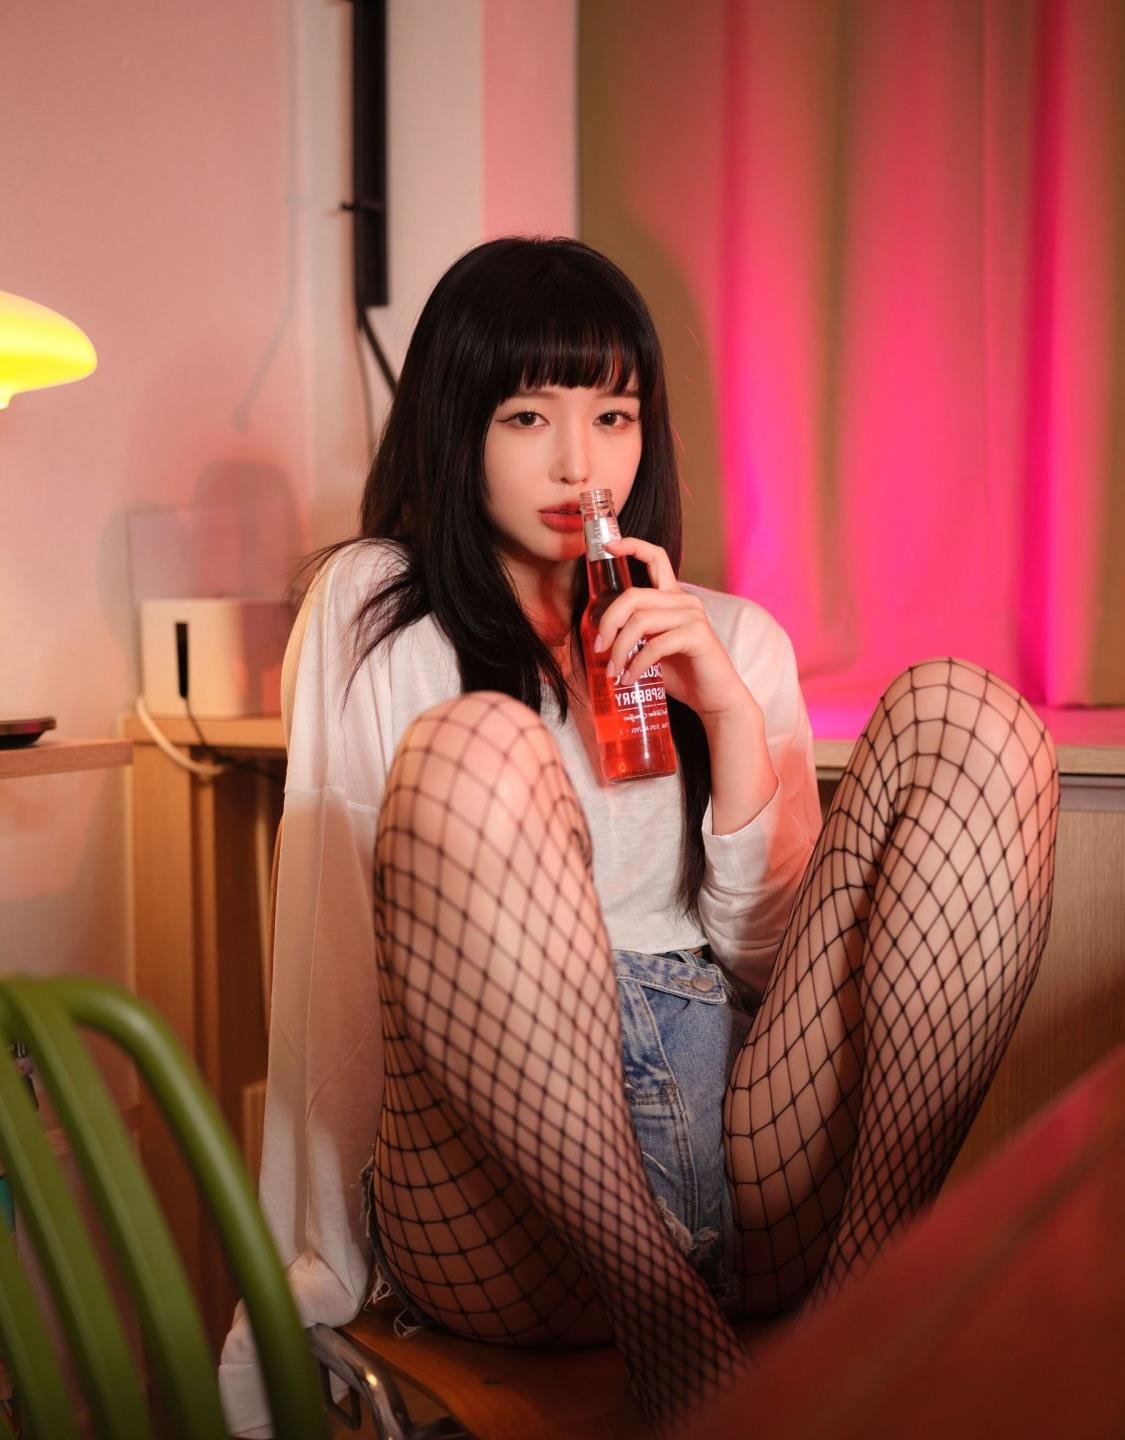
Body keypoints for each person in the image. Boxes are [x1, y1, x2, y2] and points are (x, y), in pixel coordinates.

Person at [219, 236, 1060, 1437]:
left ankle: (877, 1302)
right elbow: (343, 960)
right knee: (481, 748)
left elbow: (784, 972)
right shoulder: (374, 610)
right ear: (455, 426)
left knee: (964, 716)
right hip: (499, 1201)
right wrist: (309, 1277)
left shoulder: (729, 636)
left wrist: (728, 715)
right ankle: (666, 1320)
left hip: (741, 1152)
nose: (580, 462)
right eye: (527, 417)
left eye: (612, 417)